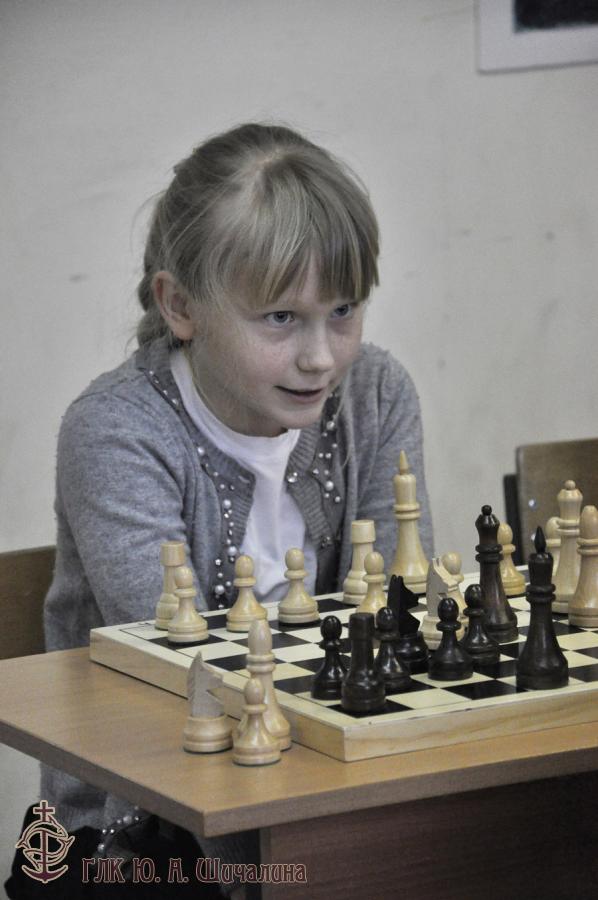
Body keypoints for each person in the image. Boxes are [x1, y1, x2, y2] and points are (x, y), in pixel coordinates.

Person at [6, 123, 433, 898]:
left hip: (335, 790)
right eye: (280, 318)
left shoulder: (375, 395)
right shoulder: (116, 432)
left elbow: (403, 614)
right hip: (141, 834)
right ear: (180, 305)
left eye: (343, 309)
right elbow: (182, 678)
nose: (322, 356)